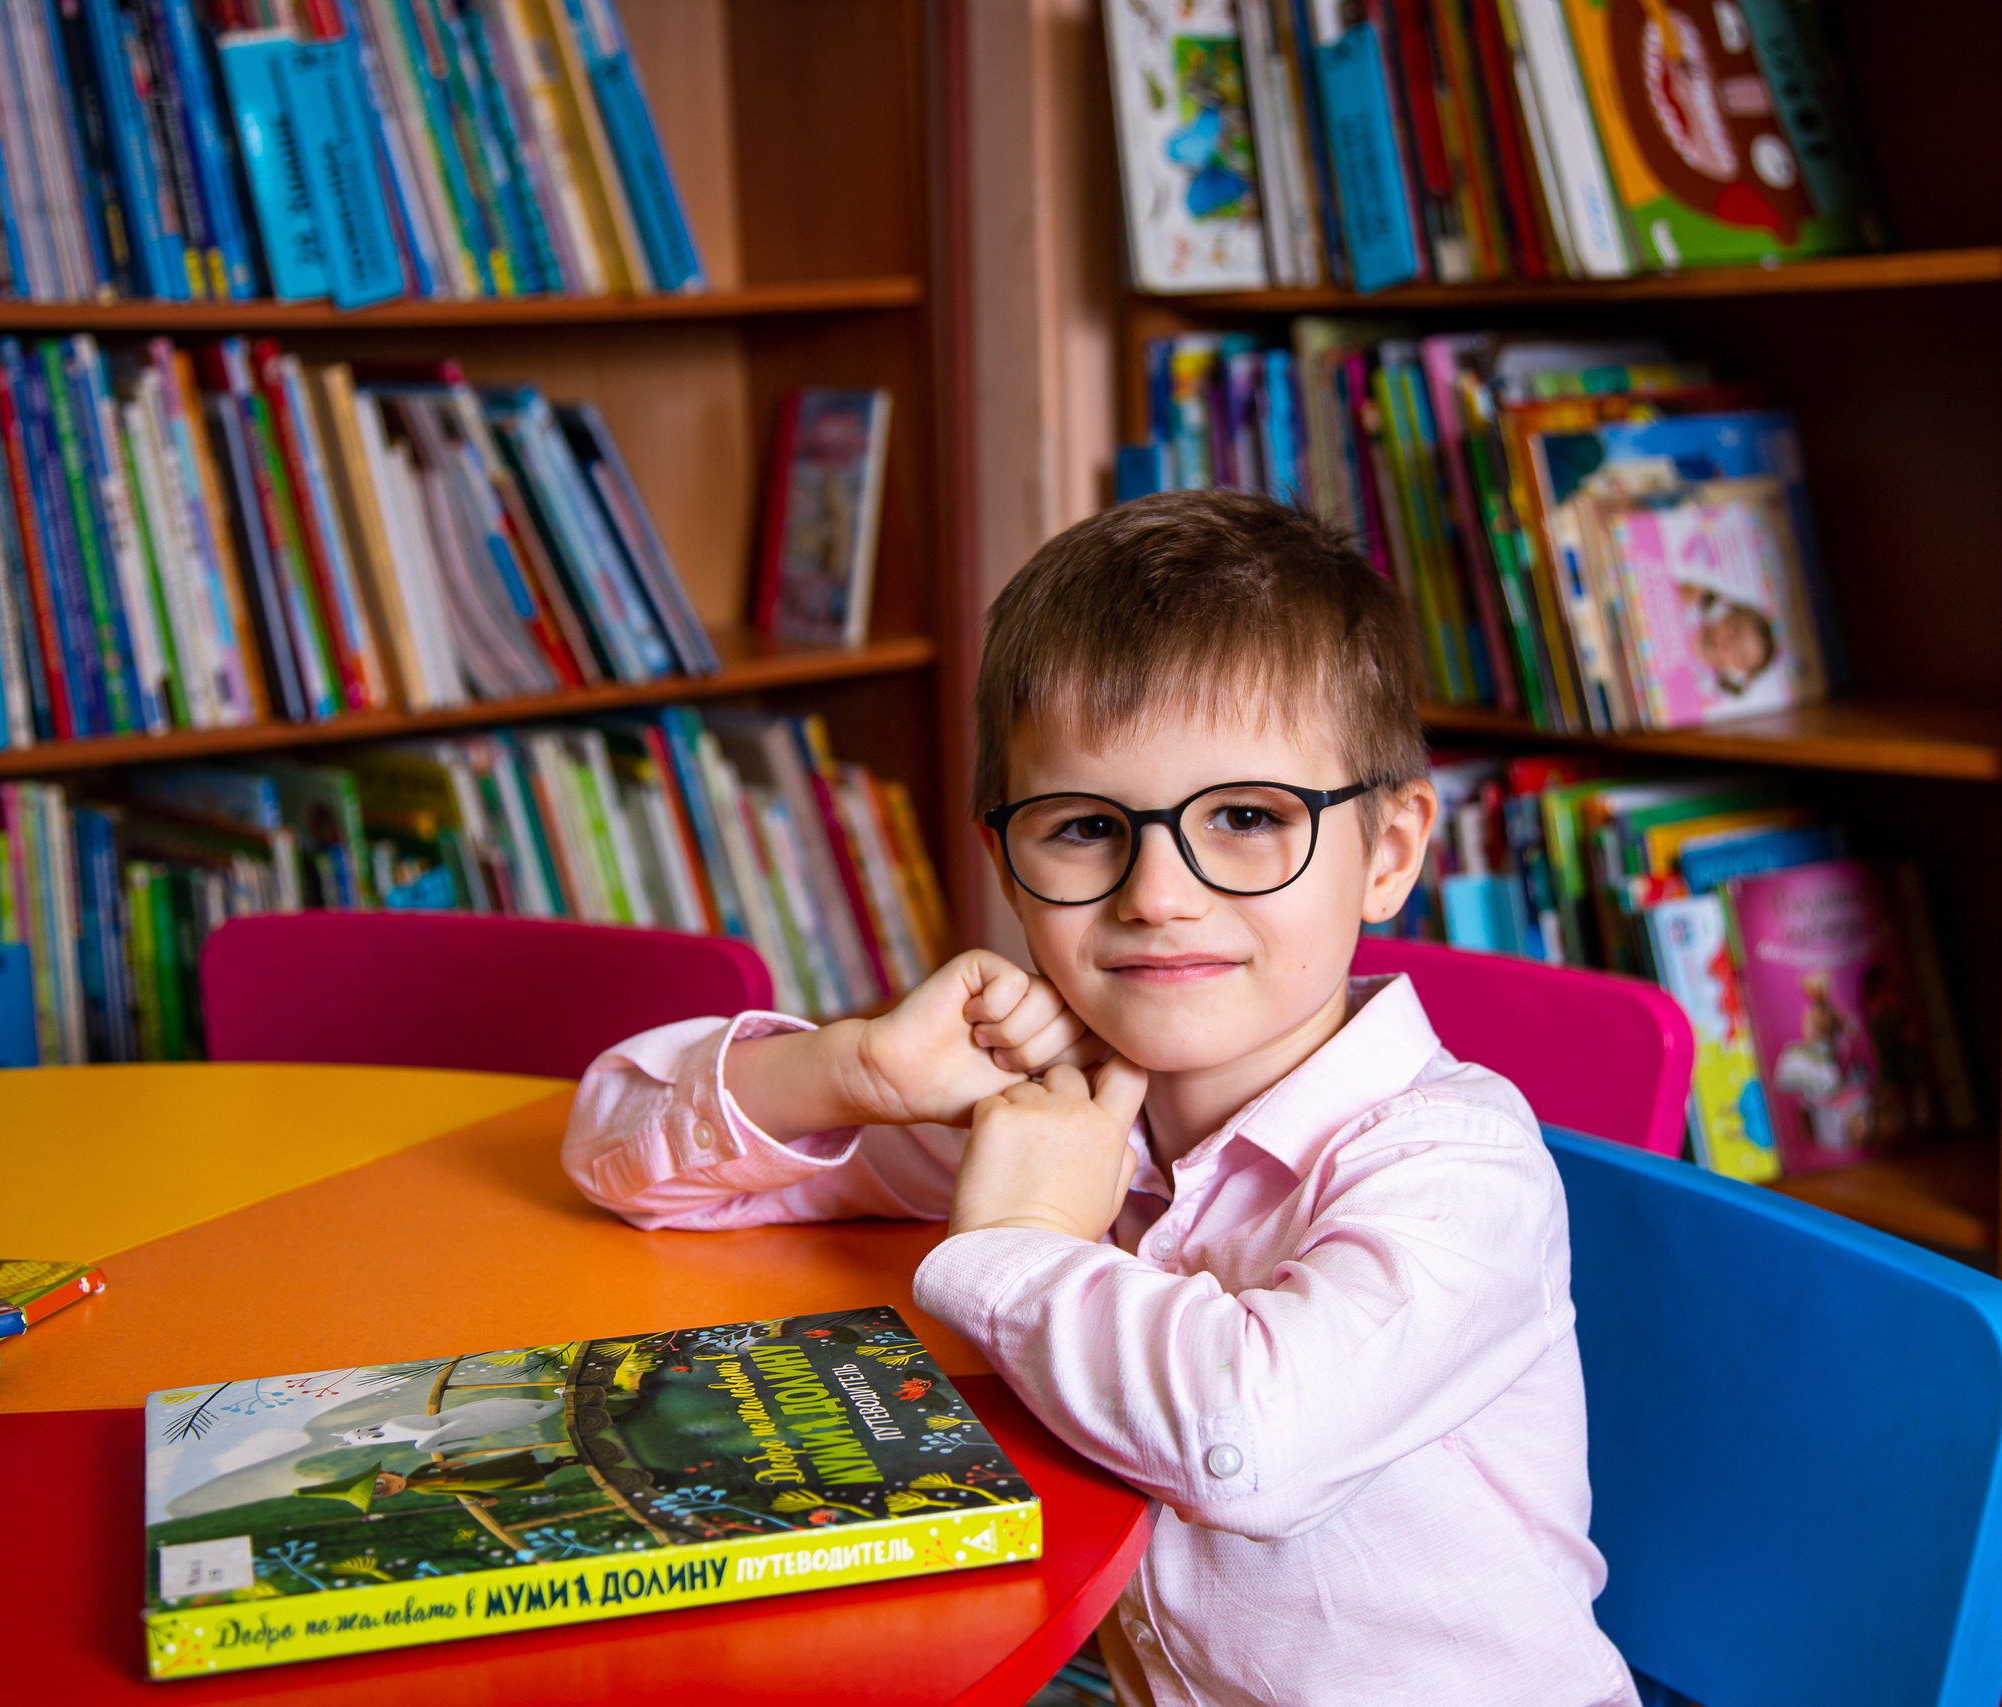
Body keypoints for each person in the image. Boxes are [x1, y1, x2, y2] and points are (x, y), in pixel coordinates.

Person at [564, 491, 1637, 1707]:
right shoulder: (1052, 1112)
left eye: (1244, 818)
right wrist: (852, 1071)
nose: (1157, 893)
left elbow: (1249, 1446)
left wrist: (1021, 1241)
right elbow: (616, 1154)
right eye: (1084, 828)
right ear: (1004, 863)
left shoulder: (1456, 1165)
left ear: (1387, 852)